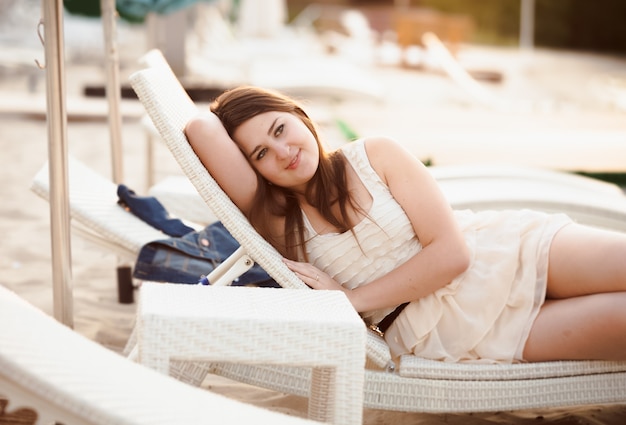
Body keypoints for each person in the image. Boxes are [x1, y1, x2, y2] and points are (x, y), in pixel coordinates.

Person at [185, 85, 626, 364]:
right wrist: (224, 113)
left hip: (501, 250)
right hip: (447, 327)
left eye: (280, 129)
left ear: (301, 116)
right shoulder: (281, 222)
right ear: (254, 172)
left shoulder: (375, 153)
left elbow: (453, 253)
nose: (282, 152)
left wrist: (351, 299)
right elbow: (199, 128)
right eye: (260, 154)